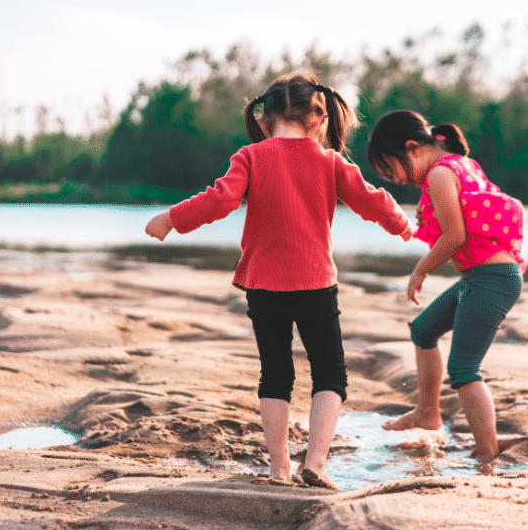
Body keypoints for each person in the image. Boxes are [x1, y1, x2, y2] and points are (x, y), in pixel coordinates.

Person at [145, 72, 413, 491]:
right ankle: (318, 464)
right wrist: (398, 222)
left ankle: (279, 468)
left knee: (275, 375)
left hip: (263, 285)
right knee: (330, 375)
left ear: (265, 118)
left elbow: (221, 199)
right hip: (315, 281)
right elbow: (368, 199)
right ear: (320, 120)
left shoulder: (250, 156)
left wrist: (171, 218)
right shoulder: (330, 161)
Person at [366, 110, 525, 463]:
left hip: (491, 280)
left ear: (413, 148)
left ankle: (487, 455)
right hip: (483, 277)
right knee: (423, 330)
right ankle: (427, 412)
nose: (396, 179)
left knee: (464, 369)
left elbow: (456, 237)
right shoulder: (459, 164)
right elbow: (466, 218)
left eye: (392, 168)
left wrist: (419, 271)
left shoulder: (439, 174)